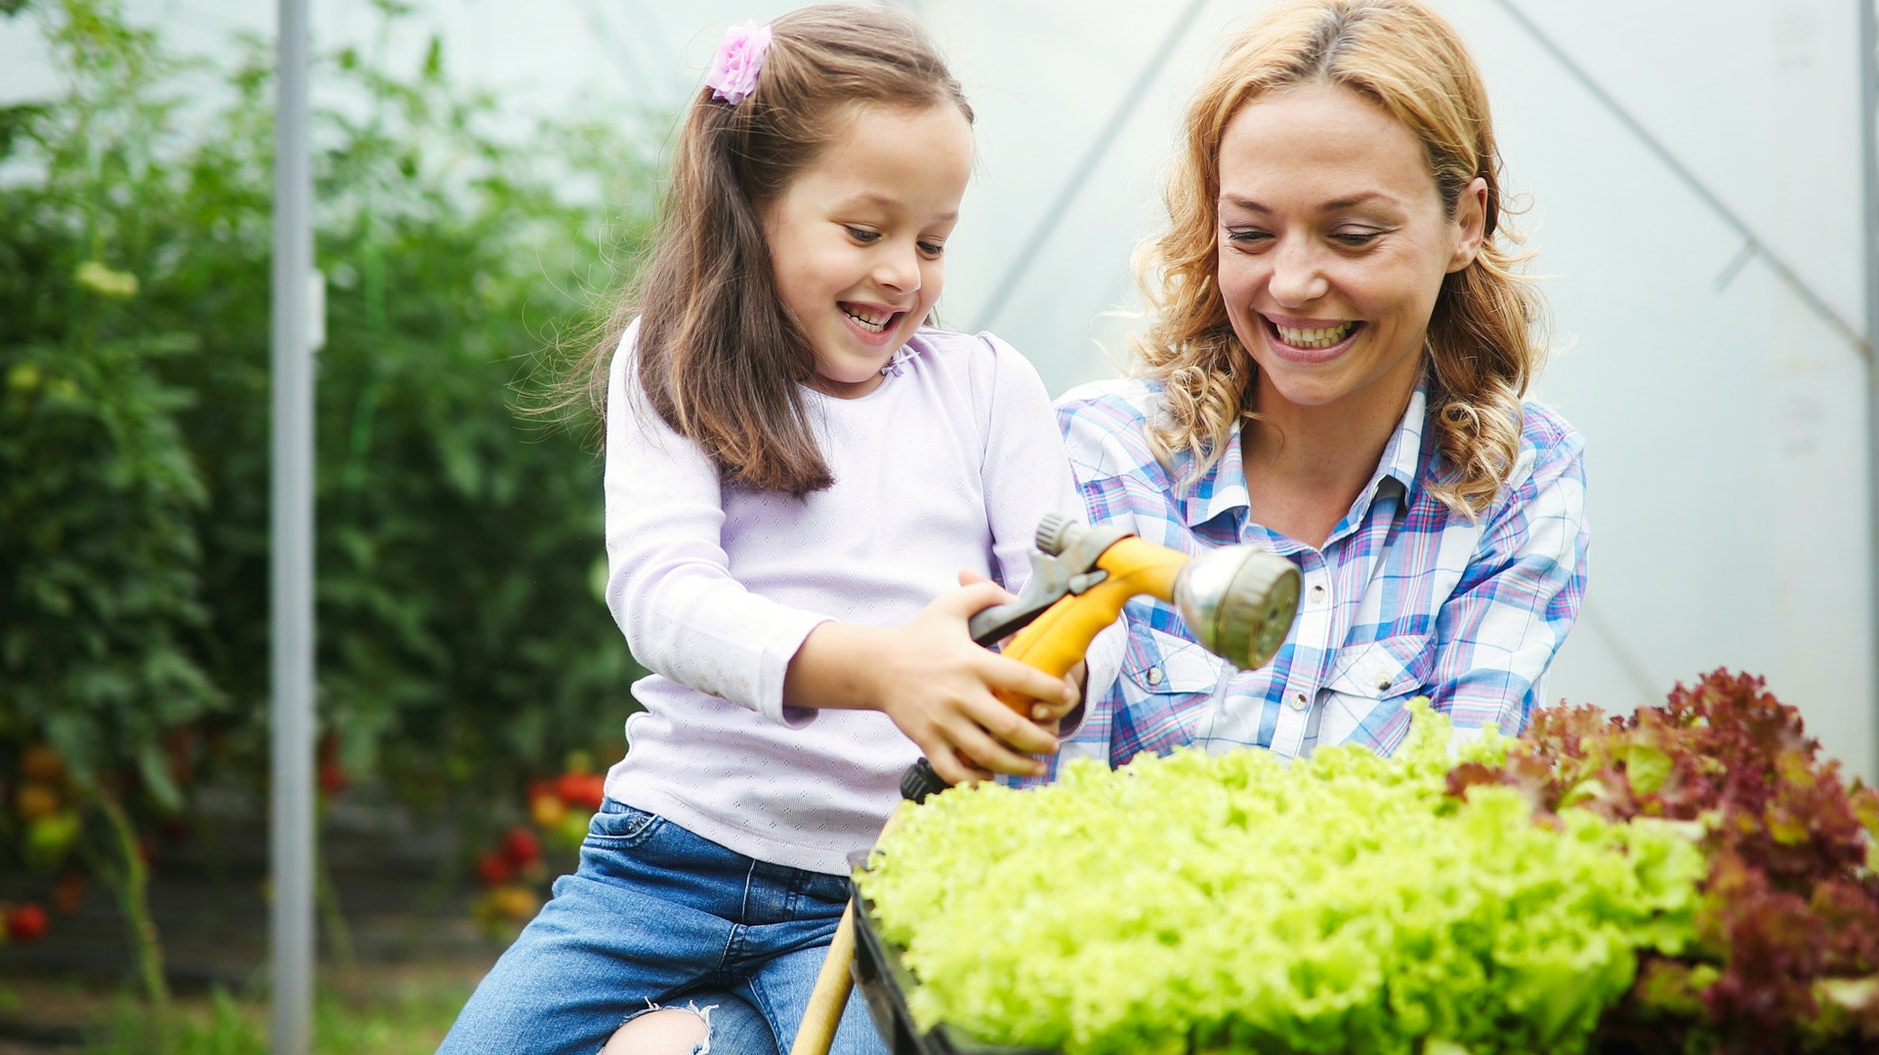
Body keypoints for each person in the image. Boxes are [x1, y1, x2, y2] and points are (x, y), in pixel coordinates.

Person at [436, 6, 1100, 1054]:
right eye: (863, 230)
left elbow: (1059, 598)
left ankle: (700, 1033)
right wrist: (881, 669)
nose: (902, 272)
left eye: (932, 240)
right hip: (662, 865)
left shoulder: (988, 389)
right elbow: (666, 599)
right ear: (753, 207)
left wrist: (1047, 680)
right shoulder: (672, 362)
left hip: (876, 883)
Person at [1048, 0, 1589, 775]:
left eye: (1353, 235)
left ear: (1466, 223)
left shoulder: (1519, 480)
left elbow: (1462, 802)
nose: (1293, 283)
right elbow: (1044, 802)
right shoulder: (1099, 451)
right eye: (1251, 234)